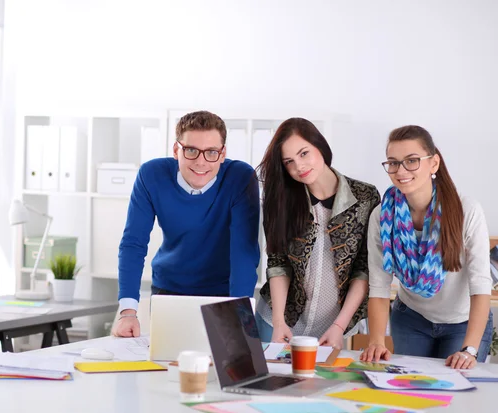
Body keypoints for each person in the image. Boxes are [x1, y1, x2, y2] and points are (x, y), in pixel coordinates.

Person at [113, 110, 261, 337]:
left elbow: (244, 252)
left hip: (224, 294)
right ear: (176, 150)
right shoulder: (151, 175)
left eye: (211, 152)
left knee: (224, 367)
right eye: (191, 150)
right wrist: (128, 313)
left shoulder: (240, 177)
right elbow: (134, 243)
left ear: (222, 154)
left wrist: (240, 314)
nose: (201, 162)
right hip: (169, 293)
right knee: (165, 364)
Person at [361, 125, 493, 369]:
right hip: (410, 318)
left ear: (433, 164)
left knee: (454, 398)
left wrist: (469, 349)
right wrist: (376, 340)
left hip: (462, 322)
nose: (401, 171)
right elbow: (378, 286)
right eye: (393, 162)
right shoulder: (382, 216)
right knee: (409, 391)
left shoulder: (466, 210)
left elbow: (480, 285)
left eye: (412, 161)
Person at [254, 118, 380, 348]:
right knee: (268, 383)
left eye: (304, 154)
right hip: (276, 323)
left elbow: (364, 269)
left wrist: (339, 327)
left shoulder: (365, 197)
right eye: (289, 162)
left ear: (320, 146)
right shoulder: (279, 200)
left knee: (326, 384)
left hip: (333, 328)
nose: (299, 167)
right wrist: (279, 321)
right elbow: (278, 263)